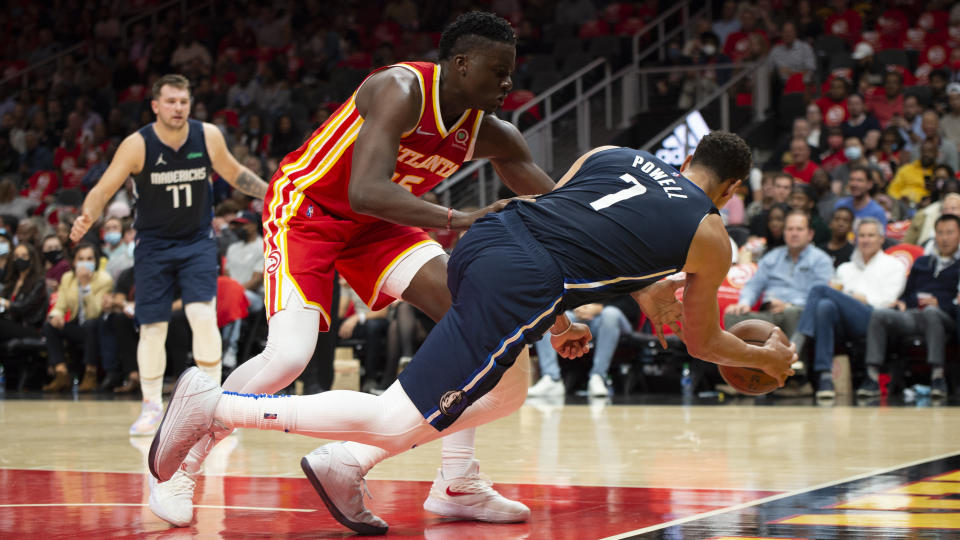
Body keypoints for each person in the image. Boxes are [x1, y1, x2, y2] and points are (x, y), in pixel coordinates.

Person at [148, 132, 797, 535]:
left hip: (488, 237)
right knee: (392, 419)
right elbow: (703, 342)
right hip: (523, 280)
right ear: (734, 189)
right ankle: (218, 405)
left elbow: (563, 219)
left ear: (686, 158)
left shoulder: (614, 154)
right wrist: (767, 356)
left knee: (511, 385)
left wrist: (562, 316)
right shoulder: (710, 236)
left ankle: (443, 482)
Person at [139, 13, 555, 530]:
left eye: (511, 71)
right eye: (498, 70)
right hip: (310, 210)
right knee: (289, 356)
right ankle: (179, 469)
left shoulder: (492, 133)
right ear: (462, 64)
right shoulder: (400, 88)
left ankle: (457, 481)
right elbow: (365, 190)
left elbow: (556, 207)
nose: (508, 83)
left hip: (378, 228)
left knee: (476, 316)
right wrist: (457, 219)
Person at [69, 74, 270, 432]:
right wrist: (87, 214)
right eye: (171, 101)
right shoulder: (137, 144)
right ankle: (151, 407)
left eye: (184, 102)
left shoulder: (207, 135)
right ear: (156, 106)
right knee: (153, 327)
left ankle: (212, 404)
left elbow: (236, 173)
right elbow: (103, 188)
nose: (178, 108)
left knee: (201, 315)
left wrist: (272, 193)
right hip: (154, 245)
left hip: (196, 241)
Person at [793, 218, 906, 399]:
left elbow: (887, 301)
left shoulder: (894, 266)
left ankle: (796, 346)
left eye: (871, 235)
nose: (866, 240)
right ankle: (825, 377)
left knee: (819, 289)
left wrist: (859, 298)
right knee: (825, 306)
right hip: (845, 323)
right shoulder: (845, 268)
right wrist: (847, 298)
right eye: (861, 235)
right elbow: (840, 299)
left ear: (881, 239)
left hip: (873, 318)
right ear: (855, 239)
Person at [858, 214, 960, 399]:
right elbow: (908, 292)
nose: (945, 238)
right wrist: (902, 302)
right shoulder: (922, 262)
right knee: (880, 314)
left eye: (950, 233)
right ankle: (872, 377)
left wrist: (941, 303)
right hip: (914, 314)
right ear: (934, 235)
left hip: (945, 317)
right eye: (940, 232)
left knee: (932, 312)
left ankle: (938, 377)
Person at [724, 209, 833, 339]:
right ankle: (746, 359)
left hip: (800, 313)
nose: (794, 233)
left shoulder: (821, 260)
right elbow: (754, 285)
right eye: (790, 229)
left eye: (799, 229)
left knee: (792, 313)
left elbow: (821, 294)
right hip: (769, 314)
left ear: (810, 234)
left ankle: (794, 358)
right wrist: (744, 303)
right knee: (732, 315)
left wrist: (789, 305)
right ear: (784, 232)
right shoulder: (772, 257)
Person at [41, 243, 113, 392]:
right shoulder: (68, 278)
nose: (84, 262)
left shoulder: (104, 279)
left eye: (89, 258)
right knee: (50, 326)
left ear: (96, 261)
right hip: (77, 325)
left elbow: (95, 311)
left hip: (96, 327)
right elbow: (60, 305)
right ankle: (61, 374)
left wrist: (86, 284)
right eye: (80, 258)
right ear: (74, 261)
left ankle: (90, 374)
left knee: (92, 324)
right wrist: (56, 316)